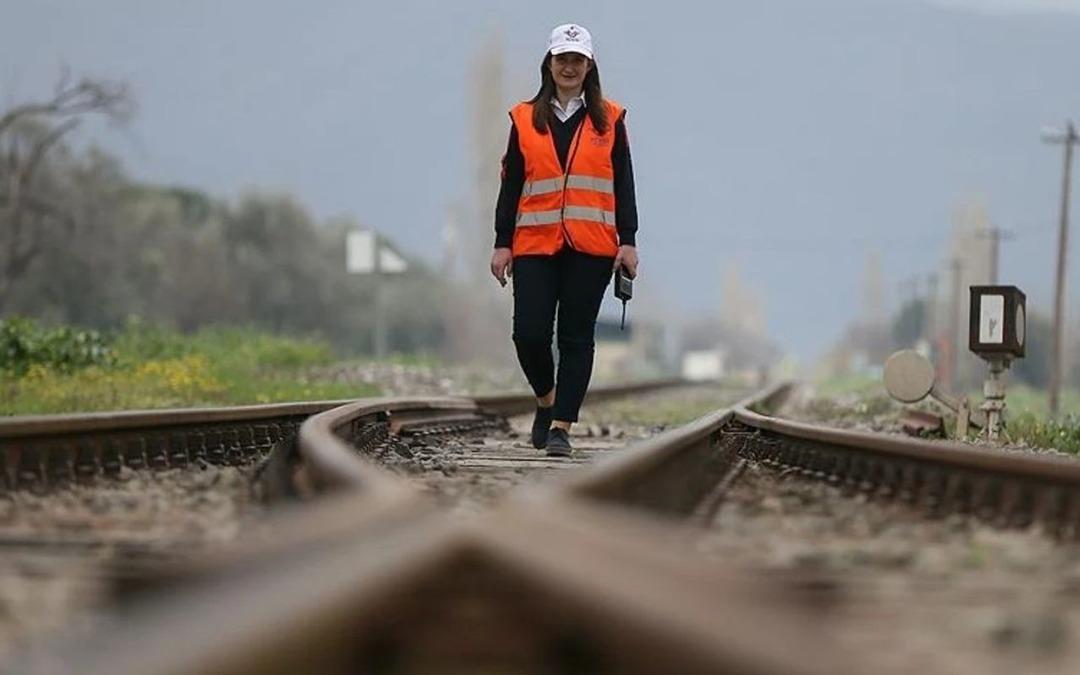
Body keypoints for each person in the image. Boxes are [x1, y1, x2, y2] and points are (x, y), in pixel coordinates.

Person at [490, 23, 639, 457]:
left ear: (589, 66)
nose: (569, 67)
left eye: (577, 60)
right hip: (534, 244)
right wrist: (502, 242)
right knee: (529, 334)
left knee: (576, 338)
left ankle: (561, 427)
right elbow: (511, 184)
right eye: (562, 59)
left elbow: (624, 182)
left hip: (591, 246)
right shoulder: (524, 119)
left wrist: (628, 240)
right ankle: (546, 399)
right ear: (549, 63)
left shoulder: (610, 119)